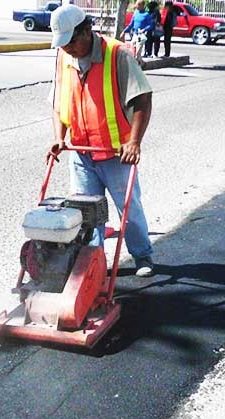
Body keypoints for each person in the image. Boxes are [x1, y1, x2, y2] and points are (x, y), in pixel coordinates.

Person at [47, 5, 155, 277]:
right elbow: (59, 103)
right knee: (86, 214)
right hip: (82, 152)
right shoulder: (63, 58)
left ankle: (142, 256)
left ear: (87, 30)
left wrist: (134, 142)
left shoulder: (116, 55)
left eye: (71, 41)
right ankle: (93, 266)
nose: (67, 48)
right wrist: (59, 138)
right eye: (63, 43)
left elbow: (142, 98)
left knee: (129, 211)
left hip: (116, 153)